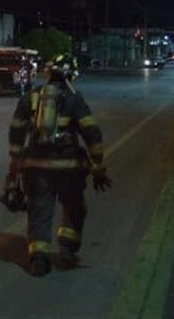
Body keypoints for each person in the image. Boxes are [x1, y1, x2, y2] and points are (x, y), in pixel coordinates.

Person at [6, 53, 112, 277]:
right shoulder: (74, 100)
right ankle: (66, 250)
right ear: (70, 75)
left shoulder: (31, 98)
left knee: (39, 212)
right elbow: (91, 133)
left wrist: (15, 163)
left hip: (35, 168)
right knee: (74, 208)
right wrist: (98, 165)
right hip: (69, 169)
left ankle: (39, 260)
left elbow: (16, 131)